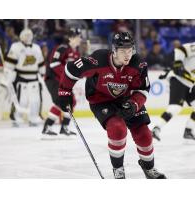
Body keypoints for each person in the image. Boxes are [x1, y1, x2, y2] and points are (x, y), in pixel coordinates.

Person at [57, 31, 166, 179]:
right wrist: (64, 92)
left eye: (130, 50)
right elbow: (71, 69)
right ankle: (118, 169)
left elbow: (143, 89)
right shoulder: (98, 59)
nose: (127, 55)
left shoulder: (138, 64)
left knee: (144, 134)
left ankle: (149, 168)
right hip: (101, 100)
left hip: (127, 99)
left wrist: (133, 104)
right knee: (117, 128)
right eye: (122, 51)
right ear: (114, 50)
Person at [42, 27, 82, 136]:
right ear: (70, 38)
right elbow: (53, 64)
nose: (79, 39)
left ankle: (64, 128)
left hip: (62, 81)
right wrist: (68, 74)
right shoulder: (62, 48)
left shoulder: (76, 53)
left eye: (79, 37)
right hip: (53, 79)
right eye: (77, 37)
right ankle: (47, 127)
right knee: (61, 102)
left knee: (71, 102)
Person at [152, 42, 195, 141]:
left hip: (190, 84)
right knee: (175, 108)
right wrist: (178, 62)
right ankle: (156, 128)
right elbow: (181, 49)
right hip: (179, 79)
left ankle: (189, 130)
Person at [4, 28, 45, 126]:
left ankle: (34, 117)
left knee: (36, 99)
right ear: (21, 36)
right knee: (21, 100)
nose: (28, 37)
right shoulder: (15, 47)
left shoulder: (36, 47)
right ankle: (16, 117)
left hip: (34, 77)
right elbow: (10, 64)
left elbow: (41, 63)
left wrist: (42, 73)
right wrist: (8, 71)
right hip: (20, 77)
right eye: (25, 35)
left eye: (29, 35)